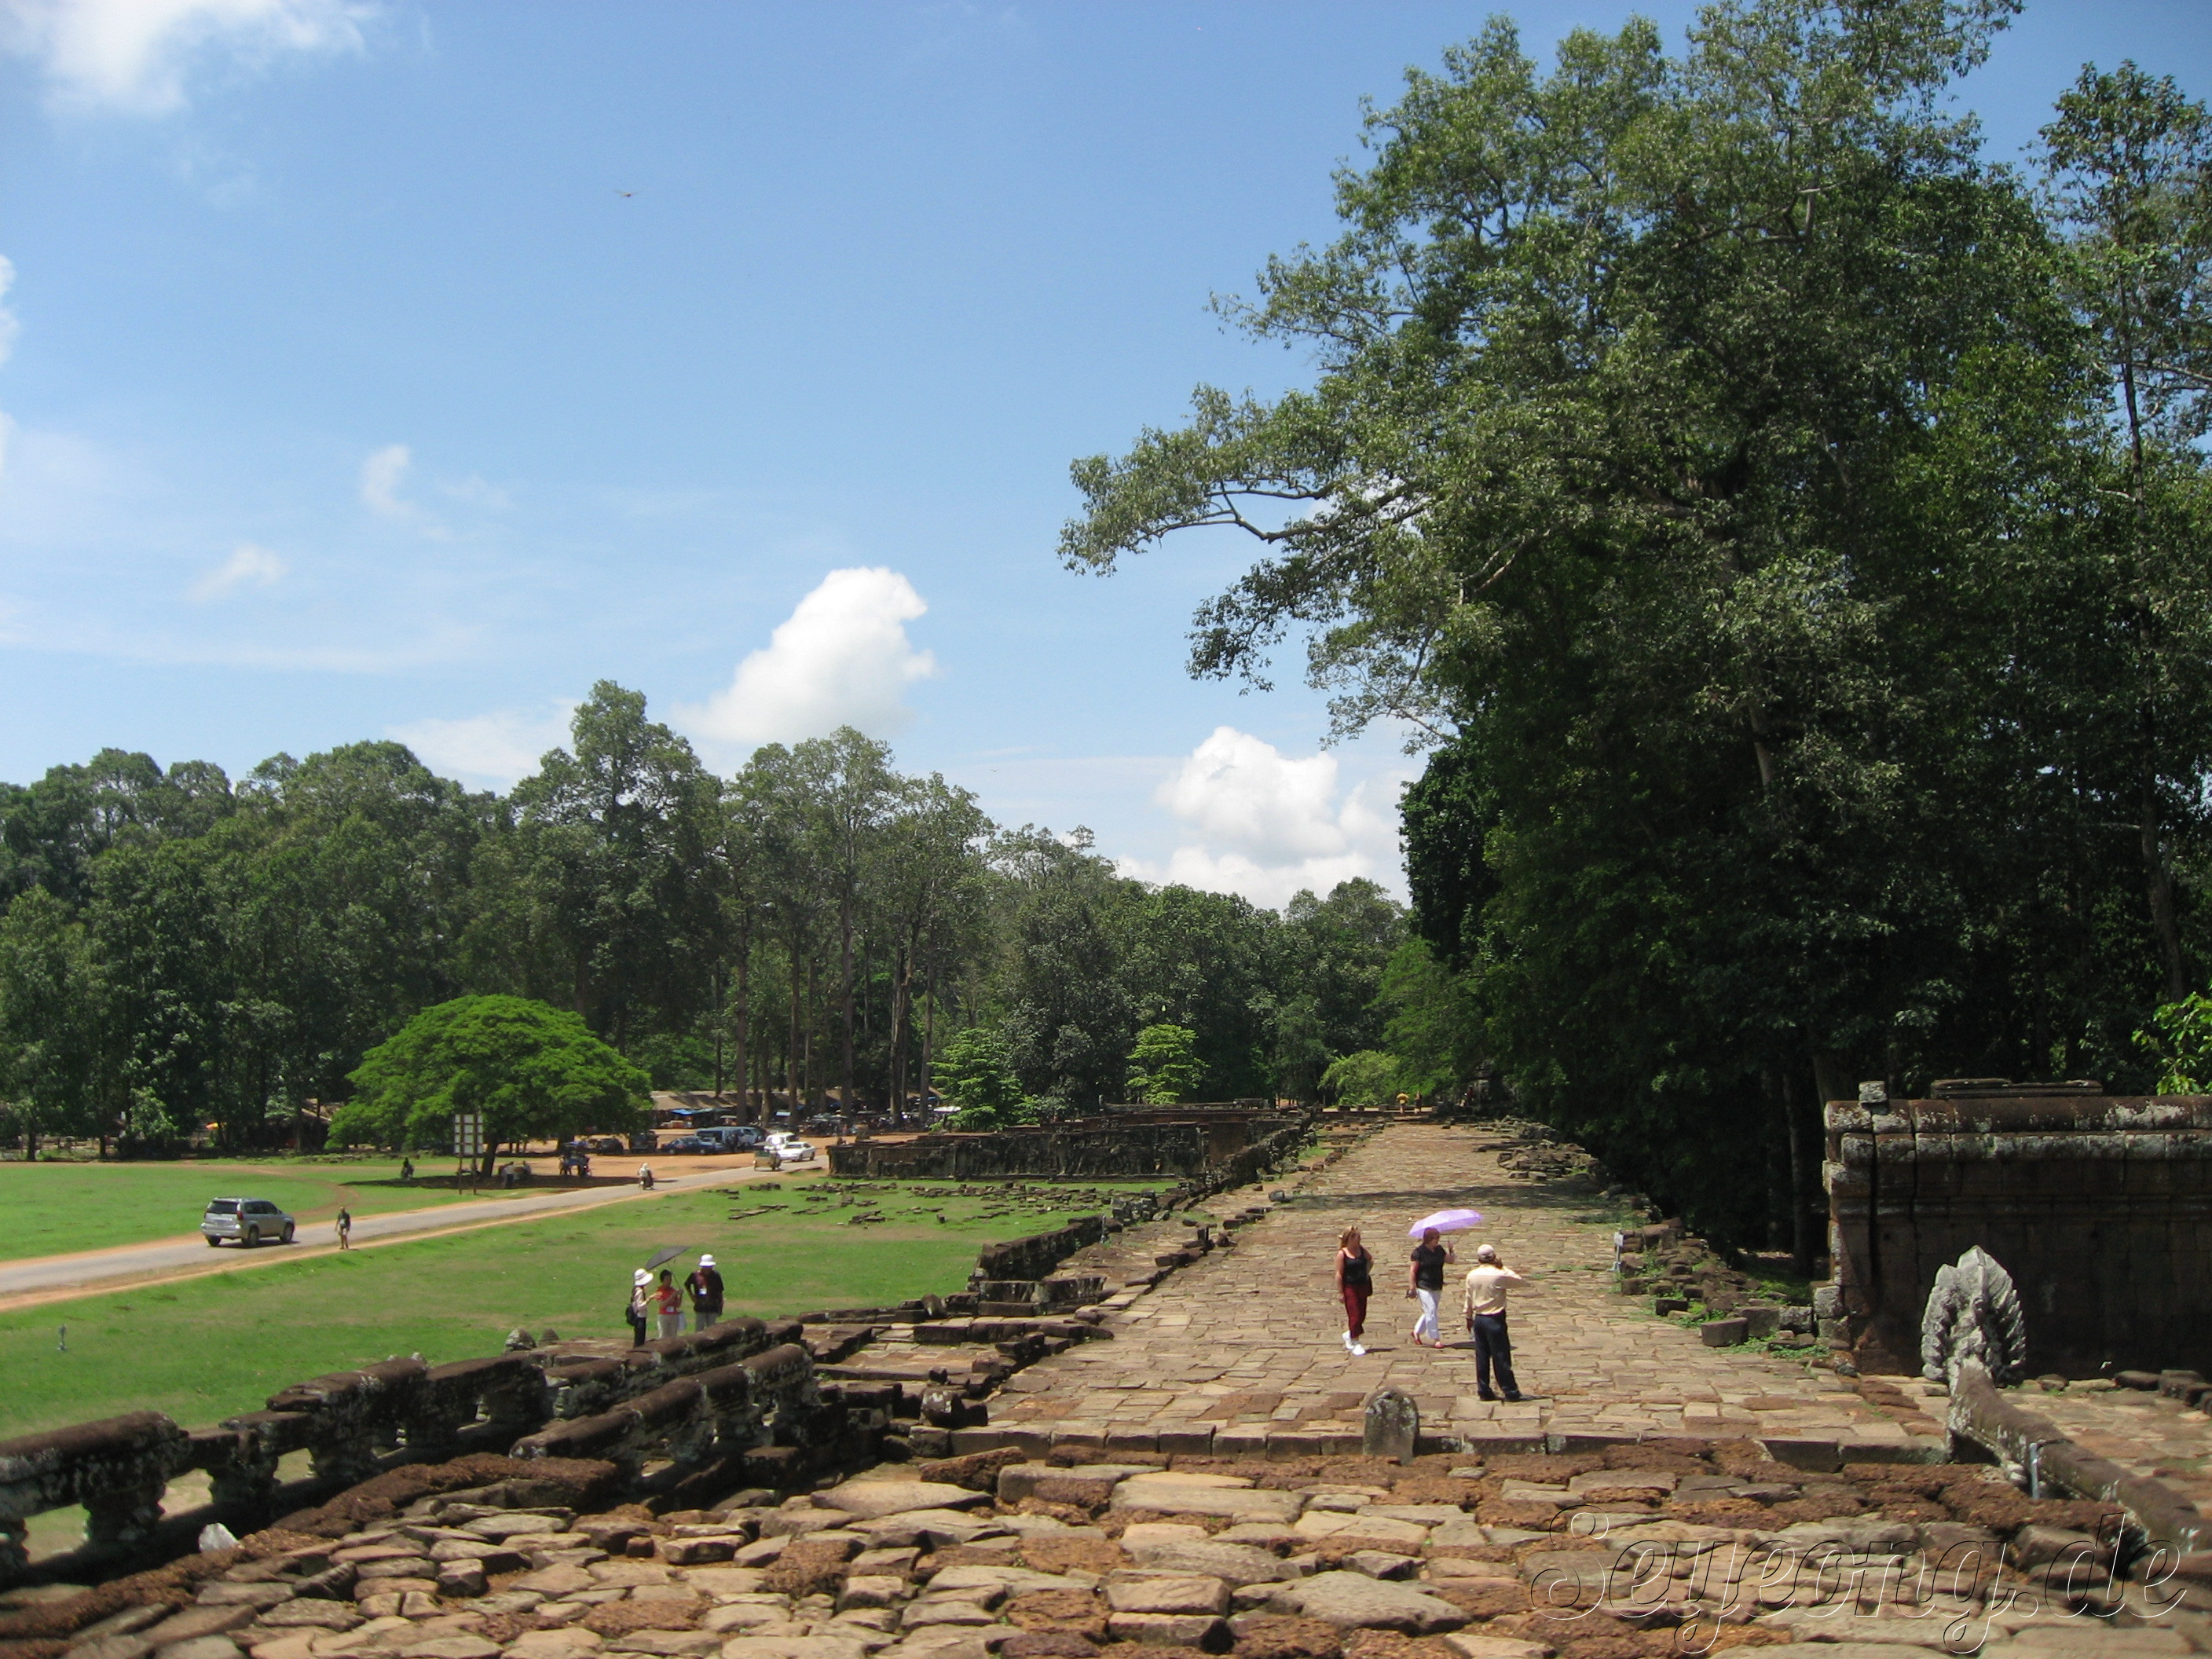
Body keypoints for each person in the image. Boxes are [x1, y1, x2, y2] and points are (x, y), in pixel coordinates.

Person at [1461, 1242, 1531, 1401]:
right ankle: (1510, 1391)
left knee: (1482, 1356)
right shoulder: (1499, 1275)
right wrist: (1502, 1267)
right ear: (1494, 1257)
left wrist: (1468, 1317)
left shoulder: (1472, 1275)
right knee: (1501, 1356)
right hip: (1495, 1318)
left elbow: (1468, 1297)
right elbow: (1520, 1281)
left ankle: (1484, 1390)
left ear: (1479, 1259)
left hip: (1479, 1318)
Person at [1407, 1226, 1455, 1346]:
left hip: (1437, 1284)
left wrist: (1451, 1250)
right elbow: (1413, 1271)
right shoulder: (1419, 1252)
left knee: (1429, 1311)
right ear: (1428, 1239)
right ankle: (1436, 1339)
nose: (1437, 1240)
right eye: (1435, 1238)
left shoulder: (1439, 1250)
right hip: (1423, 1285)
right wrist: (1412, 1287)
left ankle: (1416, 1331)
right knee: (1431, 1311)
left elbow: (1450, 1260)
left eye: (1438, 1238)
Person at [1335, 1225, 1373, 1356]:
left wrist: (1365, 1272)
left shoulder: (1361, 1250)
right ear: (1350, 1238)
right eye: (1356, 1237)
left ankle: (1350, 1333)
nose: (1359, 1239)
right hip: (1350, 1287)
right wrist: (1341, 1292)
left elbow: (1370, 1260)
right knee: (1354, 1315)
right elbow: (1339, 1274)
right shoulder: (1342, 1254)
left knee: (1362, 1314)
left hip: (1363, 1285)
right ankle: (1356, 1341)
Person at [687, 1254, 725, 1331]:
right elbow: (687, 1284)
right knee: (699, 1328)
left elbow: (720, 1292)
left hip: (713, 1307)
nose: (707, 1269)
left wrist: (721, 1306)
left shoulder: (716, 1276)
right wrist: (692, 1296)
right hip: (700, 1306)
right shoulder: (695, 1275)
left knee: (711, 1329)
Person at [654, 1268, 684, 1339]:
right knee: (663, 1336)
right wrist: (672, 1296)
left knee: (673, 1337)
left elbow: (678, 1305)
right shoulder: (659, 1291)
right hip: (664, 1316)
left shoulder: (673, 1290)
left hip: (673, 1315)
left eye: (670, 1279)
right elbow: (662, 1305)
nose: (669, 1281)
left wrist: (680, 1296)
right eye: (667, 1279)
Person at [626, 1268, 651, 1346]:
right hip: (640, 1317)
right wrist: (649, 1299)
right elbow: (640, 1306)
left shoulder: (636, 1289)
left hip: (638, 1316)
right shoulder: (640, 1291)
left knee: (638, 1338)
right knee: (640, 1340)